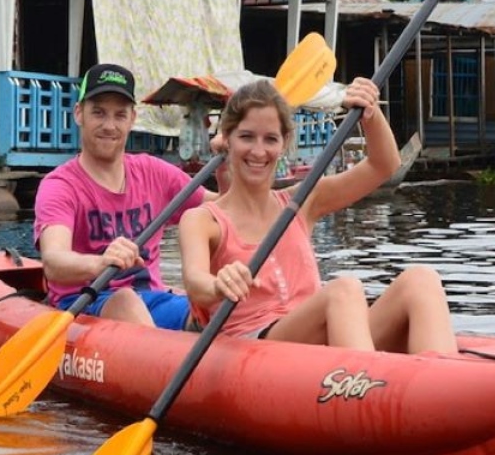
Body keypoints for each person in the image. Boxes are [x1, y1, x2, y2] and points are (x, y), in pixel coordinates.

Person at [178, 77, 458, 354]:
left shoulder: (302, 201)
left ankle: (441, 385)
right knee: (343, 290)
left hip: (321, 335)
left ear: (284, 143)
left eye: (270, 139)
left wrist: (370, 114)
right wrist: (218, 285)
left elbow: (384, 165)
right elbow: (195, 282)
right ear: (227, 139)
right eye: (247, 137)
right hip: (256, 350)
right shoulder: (203, 220)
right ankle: (365, 390)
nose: (259, 151)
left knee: (421, 280)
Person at [34, 62, 219, 329]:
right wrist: (100, 262)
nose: (109, 125)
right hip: (83, 303)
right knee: (125, 300)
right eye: (98, 113)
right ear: (79, 114)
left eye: (119, 115)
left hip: (153, 301)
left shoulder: (155, 172)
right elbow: (54, 261)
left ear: (132, 119)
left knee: (214, 305)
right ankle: (163, 364)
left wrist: (231, 164)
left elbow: (223, 210)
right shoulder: (60, 185)